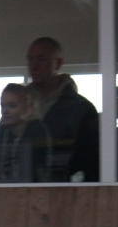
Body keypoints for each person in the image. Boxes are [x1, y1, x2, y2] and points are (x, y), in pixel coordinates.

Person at [25, 37, 99, 181]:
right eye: (30, 60)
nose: (34, 66)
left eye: (41, 59)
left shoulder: (81, 108)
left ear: (58, 63)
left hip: (67, 187)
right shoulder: (17, 106)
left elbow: (92, 162)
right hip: (23, 187)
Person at [0, 83, 52, 183]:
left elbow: (41, 172)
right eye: (3, 106)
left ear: (28, 109)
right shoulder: (0, 133)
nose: (5, 111)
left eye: (12, 106)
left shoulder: (38, 132)